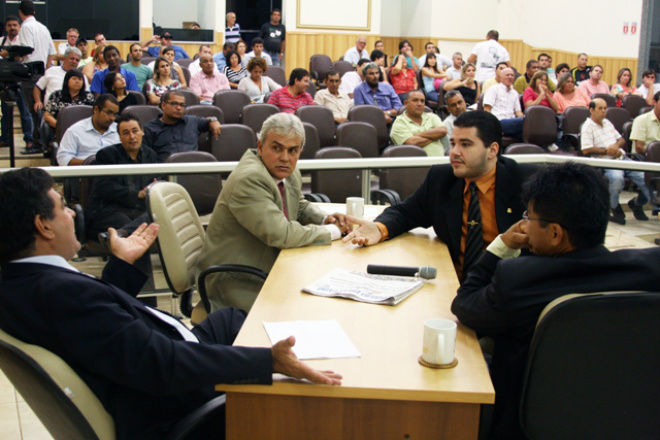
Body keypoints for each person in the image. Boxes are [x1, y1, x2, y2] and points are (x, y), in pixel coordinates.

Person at [0, 167, 342, 440]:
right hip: (179, 406)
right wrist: (267, 362)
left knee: (235, 319)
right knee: (293, 365)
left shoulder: (23, 283)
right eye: (62, 207)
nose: (73, 215)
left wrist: (120, 267)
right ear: (42, 225)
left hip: (166, 360)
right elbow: (159, 364)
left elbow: (98, 333)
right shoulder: (60, 293)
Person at [452, 161, 660, 440]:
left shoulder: (519, 280)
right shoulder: (650, 269)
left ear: (555, 233)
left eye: (529, 217)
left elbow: (465, 304)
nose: (524, 223)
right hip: (630, 420)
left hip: (525, 426)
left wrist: (501, 245)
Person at [343, 111, 535, 281]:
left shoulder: (526, 183)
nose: (454, 152)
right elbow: (406, 212)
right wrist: (379, 228)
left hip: (507, 289)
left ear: (492, 150)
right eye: (453, 143)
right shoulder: (442, 178)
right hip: (454, 284)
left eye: (466, 145)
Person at [196, 113, 351, 312]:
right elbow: (282, 234)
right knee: (314, 307)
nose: (285, 158)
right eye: (276, 148)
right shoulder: (250, 179)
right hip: (236, 280)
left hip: (268, 264)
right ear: (260, 147)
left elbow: (298, 205)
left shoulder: (287, 170)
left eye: (293, 150)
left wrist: (323, 218)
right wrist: (334, 231)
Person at [84, 114, 160, 240]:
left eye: (135, 131)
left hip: (138, 209)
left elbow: (155, 180)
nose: (132, 136)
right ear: (119, 137)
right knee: (138, 227)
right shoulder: (106, 155)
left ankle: (122, 232)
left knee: (156, 216)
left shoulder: (150, 155)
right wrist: (137, 194)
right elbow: (104, 187)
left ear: (142, 132)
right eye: (126, 133)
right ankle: (124, 232)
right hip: (110, 209)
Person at [581, 98, 650, 224]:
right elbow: (586, 150)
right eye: (600, 108)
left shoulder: (607, 122)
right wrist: (608, 151)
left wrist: (615, 147)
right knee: (617, 179)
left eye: (605, 108)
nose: (603, 111)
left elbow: (622, 140)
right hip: (608, 162)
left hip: (623, 158)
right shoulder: (587, 126)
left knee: (647, 178)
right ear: (591, 110)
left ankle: (637, 203)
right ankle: (614, 206)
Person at [142, 90, 222, 162]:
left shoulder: (192, 121)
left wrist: (213, 120)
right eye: (174, 104)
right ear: (163, 105)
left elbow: (208, 120)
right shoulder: (149, 129)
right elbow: (146, 158)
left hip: (194, 170)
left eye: (182, 105)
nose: (179, 108)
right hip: (166, 173)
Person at [0, 15, 35, 153]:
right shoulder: (2, 40)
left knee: (25, 111)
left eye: (15, 25)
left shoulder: (23, 41)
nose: (12, 28)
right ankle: (5, 139)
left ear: (19, 27)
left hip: (20, 80)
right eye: (9, 25)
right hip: (5, 81)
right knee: (5, 111)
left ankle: (29, 139)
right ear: (5, 27)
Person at [56, 94, 120, 166]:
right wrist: (90, 163)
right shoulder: (75, 131)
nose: (112, 118)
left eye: (115, 114)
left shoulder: (120, 130)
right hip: (83, 174)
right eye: (109, 113)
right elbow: (63, 158)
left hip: (114, 174)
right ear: (96, 109)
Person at [390, 89, 448, 156]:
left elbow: (443, 131)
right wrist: (434, 136)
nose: (419, 104)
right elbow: (412, 143)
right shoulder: (399, 123)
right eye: (415, 100)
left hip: (440, 162)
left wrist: (416, 135)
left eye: (422, 101)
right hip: (417, 165)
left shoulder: (432, 117)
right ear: (406, 103)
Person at [483, 67, 524, 139]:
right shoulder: (494, 89)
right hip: (499, 122)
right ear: (500, 77)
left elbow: (518, 112)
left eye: (512, 75)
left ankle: (543, 148)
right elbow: (487, 110)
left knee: (527, 133)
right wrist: (493, 127)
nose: (510, 77)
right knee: (526, 123)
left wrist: (527, 119)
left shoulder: (515, 93)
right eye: (507, 75)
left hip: (512, 123)